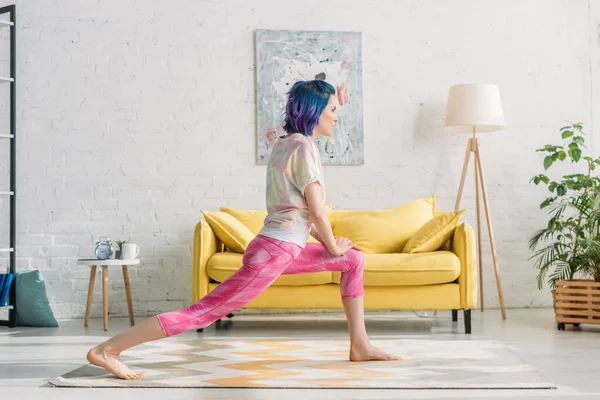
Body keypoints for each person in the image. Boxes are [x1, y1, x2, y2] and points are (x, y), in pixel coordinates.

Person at [86, 79, 400, 380]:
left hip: (282, 247)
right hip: (275, 251)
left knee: (353, 259)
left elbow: (299, 214)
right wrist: (332, 246)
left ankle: (360, 345)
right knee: (203, 312)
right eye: (333, 110)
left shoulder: (284, 145)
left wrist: (335, 247)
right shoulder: (303, 147)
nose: (337, 118)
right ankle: (107, 350)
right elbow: (317, 210)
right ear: (315, 112)